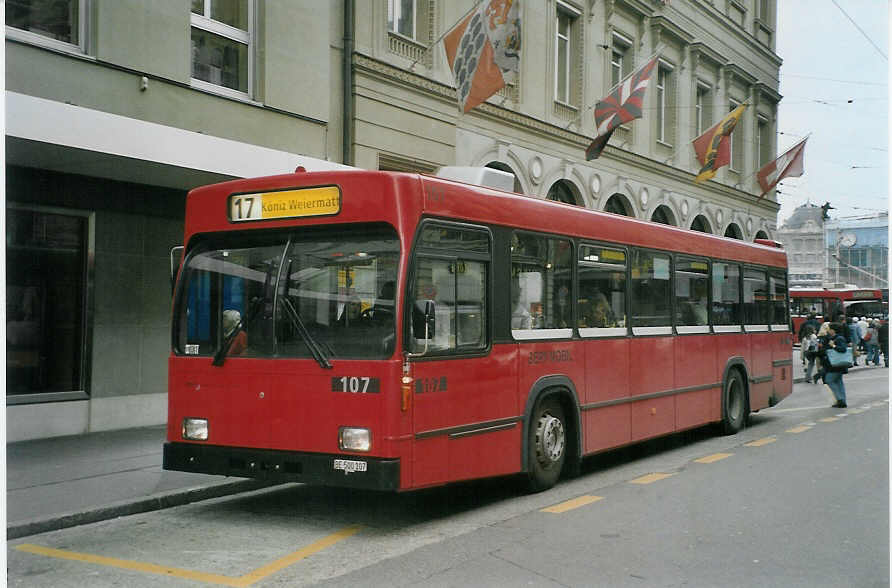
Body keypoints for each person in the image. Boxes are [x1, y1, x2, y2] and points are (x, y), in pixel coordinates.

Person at [817, 322, 849, 408]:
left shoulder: (839, 338)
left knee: (829, 380)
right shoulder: (831, 337)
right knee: (839, 382)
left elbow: (843, 349)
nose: (828, 330)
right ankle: (842, 400)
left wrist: (833, 346)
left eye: (829, 329)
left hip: (836, 364)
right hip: (835, 364)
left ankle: (840, 399)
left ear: (833, 330)